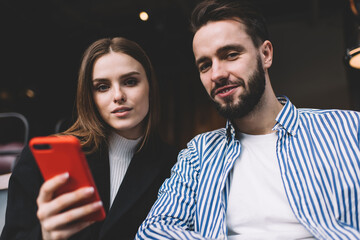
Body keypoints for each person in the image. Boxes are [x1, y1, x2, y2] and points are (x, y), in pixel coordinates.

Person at [136, 0, 360, 239]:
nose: (217, 74)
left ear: (265, 54)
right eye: (204, 65)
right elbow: (152, 232)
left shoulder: (348, 129)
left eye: (231, 55)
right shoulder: (198, 155)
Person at [1, 37, 177, 240]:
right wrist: (44, 236)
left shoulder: (176, 164)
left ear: (151, 87)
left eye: (130, 82)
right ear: (89, 96)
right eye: (102, 87)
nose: (118, 95)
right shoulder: (40, 160)